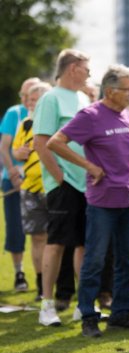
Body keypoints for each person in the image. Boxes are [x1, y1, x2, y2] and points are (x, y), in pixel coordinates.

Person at [47, 64, 129, 338]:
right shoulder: (90, 115)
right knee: (94, 260)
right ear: (110, 91)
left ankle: (121, 314)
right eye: (127, 89)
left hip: (128, 200)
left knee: (127, 260)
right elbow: (55, 142)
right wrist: (88, 166)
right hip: (102, 202)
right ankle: (88, 316)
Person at [33, 49, 92, 327]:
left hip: (85, 183)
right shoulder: (50, 98)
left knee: (82, 243)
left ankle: (83, 304)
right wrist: (57, 176)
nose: (89, 74)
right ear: (72, 68)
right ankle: (46, 304)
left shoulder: (82, 98)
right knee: (56, 243)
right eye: (86, 68)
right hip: (63, 183)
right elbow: (41, 142)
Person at [11, 82, 52, 302]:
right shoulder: (25, 124)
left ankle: (62, 286)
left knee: (58, 240)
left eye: (36, 99)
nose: (32, 103)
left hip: (54, 187)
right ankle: (40, 285)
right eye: (30, 99)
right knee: (38, 238)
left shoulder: (56, 123)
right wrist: (19, 152)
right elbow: (16, 152)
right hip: (31, 189)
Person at [1, 77, 40, 293]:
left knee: (42, 232)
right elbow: (5, 146)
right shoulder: (14, 114)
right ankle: (19, 273)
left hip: (39, 181)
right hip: (14, 180)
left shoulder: (44, 113)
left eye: (32, 96)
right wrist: (14, 172)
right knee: (15, 228)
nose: (28, 100)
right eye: (25, 95)